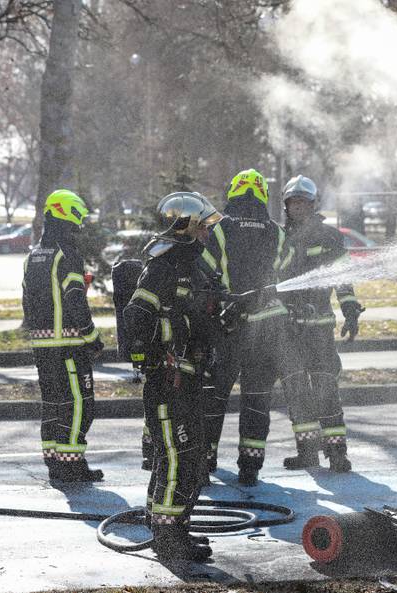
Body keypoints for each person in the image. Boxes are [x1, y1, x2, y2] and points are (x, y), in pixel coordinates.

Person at [200, 169, 317, 486]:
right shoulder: (276, 232)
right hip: (269, 328)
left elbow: (205, 272)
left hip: (229, 328)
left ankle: (204, 461)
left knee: (214, 397)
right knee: (257, 398)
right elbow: (289, 271)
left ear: (234, 193)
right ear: (263, 195)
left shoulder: (219, 230)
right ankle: (250, 467)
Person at [123, 191, 222, 562]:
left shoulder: (194, 267)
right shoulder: (162, 267)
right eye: (204, 227)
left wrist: (221, 317)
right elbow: (137, 316)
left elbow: (198, 319)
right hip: (168, 383)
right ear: (189, 226)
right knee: (178, 458)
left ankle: (172, 527)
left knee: (186, 458)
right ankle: (167, 537)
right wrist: (155, 356)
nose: (208, 234)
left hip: (189, 381)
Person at [281, 175, 364, 473]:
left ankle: (337, 453)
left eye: (303, 202)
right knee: (297, 391)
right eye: (293, 203)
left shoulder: (328, 237)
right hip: (290, 330)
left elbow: (342, 277)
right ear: (286, 206)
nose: (298, 208)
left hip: (319, 328)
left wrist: (350, 310)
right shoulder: (281, 237)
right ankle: (307, 453)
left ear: (312, 204)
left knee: (326, 387)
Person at [23, 189, 105, 483]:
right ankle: (71, 464)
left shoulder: (33, 256)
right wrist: (92, 336)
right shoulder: (66, 253)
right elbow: (74, 298)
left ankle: (54, 461)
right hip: (68, 344)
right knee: (81, 404)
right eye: (78, 218)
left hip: (42, 345)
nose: (79, 225)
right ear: (68, 214)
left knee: (53, 404)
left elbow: (26, 303)